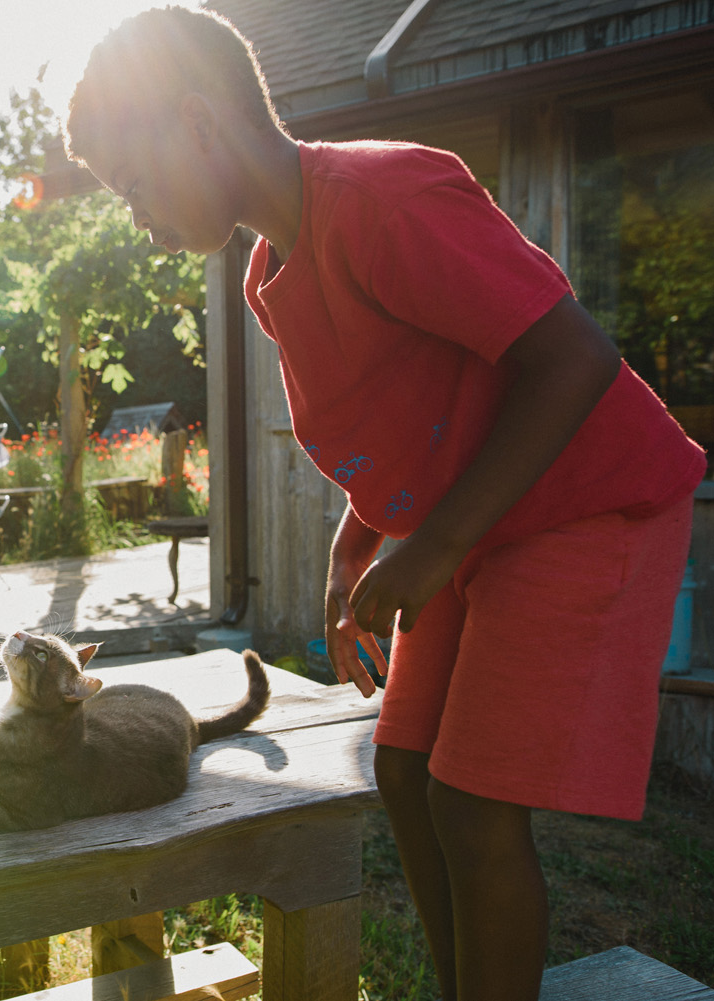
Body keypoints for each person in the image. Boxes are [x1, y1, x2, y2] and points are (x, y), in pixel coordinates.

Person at [64, 8, 705, 1001]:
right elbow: (411, 414)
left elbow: (574, 359)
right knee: (403, 770)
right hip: (479, 521)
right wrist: (348, 545)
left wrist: (439, 542)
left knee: (472, 802)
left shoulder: (381, 194)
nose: (135, 215)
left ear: (197, 123)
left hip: (585, 498)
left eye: (134, 183)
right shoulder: (270, 273)